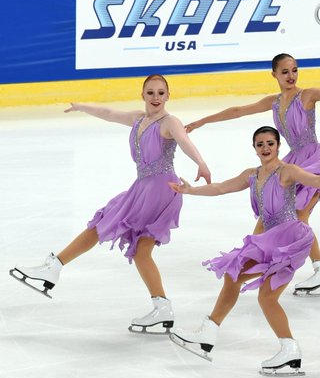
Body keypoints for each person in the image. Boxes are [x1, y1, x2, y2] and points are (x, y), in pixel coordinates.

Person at [9, 75, 211, 333]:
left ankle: (54, 267)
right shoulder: (138, 119)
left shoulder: (170, 122)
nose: (156, 97)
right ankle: (162, 307)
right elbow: (109, 114)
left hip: (161, 188)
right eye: (150, 92)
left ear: (168, 96)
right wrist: (82, 107)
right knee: (139, 250)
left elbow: (184, 141)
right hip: (143, 187)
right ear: (142, 95)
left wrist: (201, 163)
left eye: (161, 93)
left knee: (106, 222)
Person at [184, 53, 320, 296]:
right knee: (269, 214)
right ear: (274, 74)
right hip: (292, 160)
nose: (291, 76)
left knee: (299, 216)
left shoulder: (307, 95)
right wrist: (202, 122)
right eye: (285, 72)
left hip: (314, 161)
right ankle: (248, 260)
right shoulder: (274, 102)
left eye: (294, 70)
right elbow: (237, 111)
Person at [167, 127, 320, 375]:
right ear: (254, 148)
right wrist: (190, 190)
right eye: (260, 144)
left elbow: (318, 181)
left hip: (290, 239)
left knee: (265, 296)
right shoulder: (252, 175)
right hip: (271, 238)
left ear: (278, 146)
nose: (265, 148)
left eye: (270, 143)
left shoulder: (287, 171)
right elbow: (221, 188)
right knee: (237, 277)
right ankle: (212, 334)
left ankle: (283, 349)